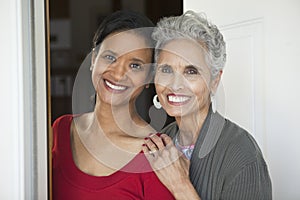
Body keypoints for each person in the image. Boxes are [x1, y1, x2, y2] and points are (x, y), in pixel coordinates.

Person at [142, 11, 272, 200]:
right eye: (166, 69)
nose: (175, 85)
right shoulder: (160, 142)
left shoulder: (241, 153)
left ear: (214, 80)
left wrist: (180, 186)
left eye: (191, 71)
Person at [51, 10, 175, 199]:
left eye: (135, 65)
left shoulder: (156, 155)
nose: (117, 74)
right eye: (110, 57)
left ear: (150, 77)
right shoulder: (60, 130)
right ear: (93, 59)